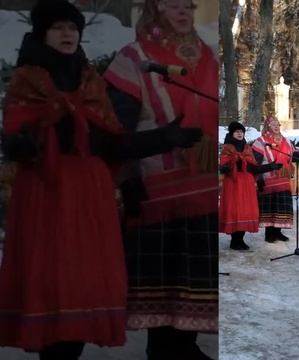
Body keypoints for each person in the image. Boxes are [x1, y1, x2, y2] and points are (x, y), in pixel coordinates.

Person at [0, 1, 201, 358]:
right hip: (47, 195)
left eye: (73, 29)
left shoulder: (90, 82)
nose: (67, 35)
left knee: (82, 283)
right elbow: (17, 135)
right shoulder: (27, 79)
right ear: (43, 33)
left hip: (89, 197)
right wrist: (29, 137)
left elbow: (112, 143)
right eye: (59, 28)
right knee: (52, 282)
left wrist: (163, 138)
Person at [103, 0, 219, 358]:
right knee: (162, 290)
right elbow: (112, 131)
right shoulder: (133, 58)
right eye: (173, 5)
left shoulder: (208, 56)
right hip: (159, 194)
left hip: (204, 190)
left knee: (194, 287)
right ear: (155, 10)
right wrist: (127, 175)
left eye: (188, 5)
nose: (184, 12)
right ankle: (165, 352)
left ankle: (185, 347)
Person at [219, 121, 282, 250]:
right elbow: (223, 167)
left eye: (241, 132)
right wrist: (233, 161)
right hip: (234, 184)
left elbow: (254, 168)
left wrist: (271, 166)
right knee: (235, 210)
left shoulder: (247, 148)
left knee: (246, 211)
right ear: (232, 133)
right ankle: (235, 240)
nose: (240, 134)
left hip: (246, 185)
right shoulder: (227, 148)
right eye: (237, 132)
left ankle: (240, 239)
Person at [251, 116, 299, 242]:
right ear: (267, 126)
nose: (276, 126)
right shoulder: (260, 141)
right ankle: (269, 234)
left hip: (283, 180)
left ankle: (278, 232)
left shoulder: (286, 141)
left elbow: (294, 156)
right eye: (273, 124)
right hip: (267, 181)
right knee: (270, 207)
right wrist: (258, 178)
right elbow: (255, 163)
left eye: (278, 124)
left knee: (281, 208)